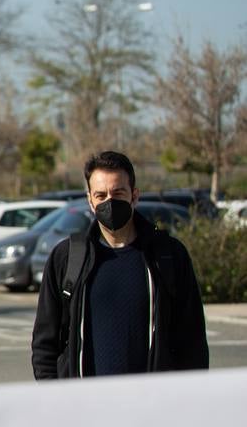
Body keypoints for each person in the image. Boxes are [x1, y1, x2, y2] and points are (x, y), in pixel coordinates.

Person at [31, 150, 208, 379]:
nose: (109, 202)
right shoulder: (67, 258)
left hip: (153, 406)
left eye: (118, 192)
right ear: (90, 201)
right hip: (85, 406)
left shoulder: (168, 255)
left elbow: (192, 341)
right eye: (101, 195)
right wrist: (55, 399)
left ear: (134, 195)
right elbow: (45, 344)